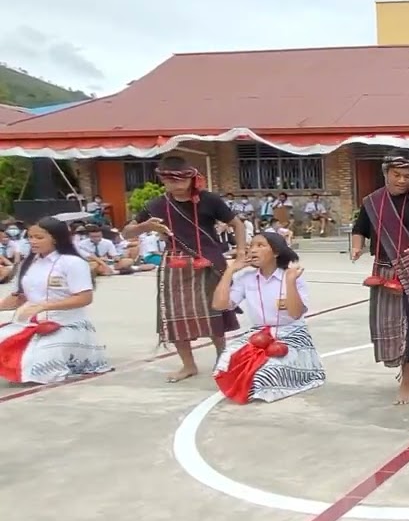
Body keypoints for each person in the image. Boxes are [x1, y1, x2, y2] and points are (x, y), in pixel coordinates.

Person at [123, 155, 244, 382]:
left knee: (213, 313)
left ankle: (222, 358)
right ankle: (188, 365)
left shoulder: (209, 200)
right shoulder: (156, 205)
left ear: (191, 178)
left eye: (179, 181)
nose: (174, 186)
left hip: (208, 261)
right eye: (169, 182)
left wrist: (242, 252)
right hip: (175, 265)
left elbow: (236, 223)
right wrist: (144, 226)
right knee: (175, 317)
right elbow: (126, 233)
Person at [351, 151, 409, 405]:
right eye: (397, 175)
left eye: (407, 176)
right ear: (386, 174)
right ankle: (407, 367)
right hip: (382, 271)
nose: (402, 180)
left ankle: (408, 375)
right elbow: (358, 230)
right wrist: (356, 246)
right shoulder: (372, 202)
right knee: (387, 324)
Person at [211, 232, 326, 404]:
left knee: (266, 373)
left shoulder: (291, 276)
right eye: (251, 246)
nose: (253, 250)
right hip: (259, 333)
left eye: (260, 245)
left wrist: (290, 282)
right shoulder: (245, 278)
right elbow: (219, 305)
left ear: (276, 252)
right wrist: (230, 270)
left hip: (291, 333)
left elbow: (296, 313)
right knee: (226, 362)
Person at [0, 217, 111, 384]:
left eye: (39, 237)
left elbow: (84, 298)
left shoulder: (72, 262)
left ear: (55, 237)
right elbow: (18, 297)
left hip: (66, 324)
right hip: (28, 322)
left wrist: (45, 306)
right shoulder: (28, 263)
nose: (33, 242)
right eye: (30, 237)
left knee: (37, 367)